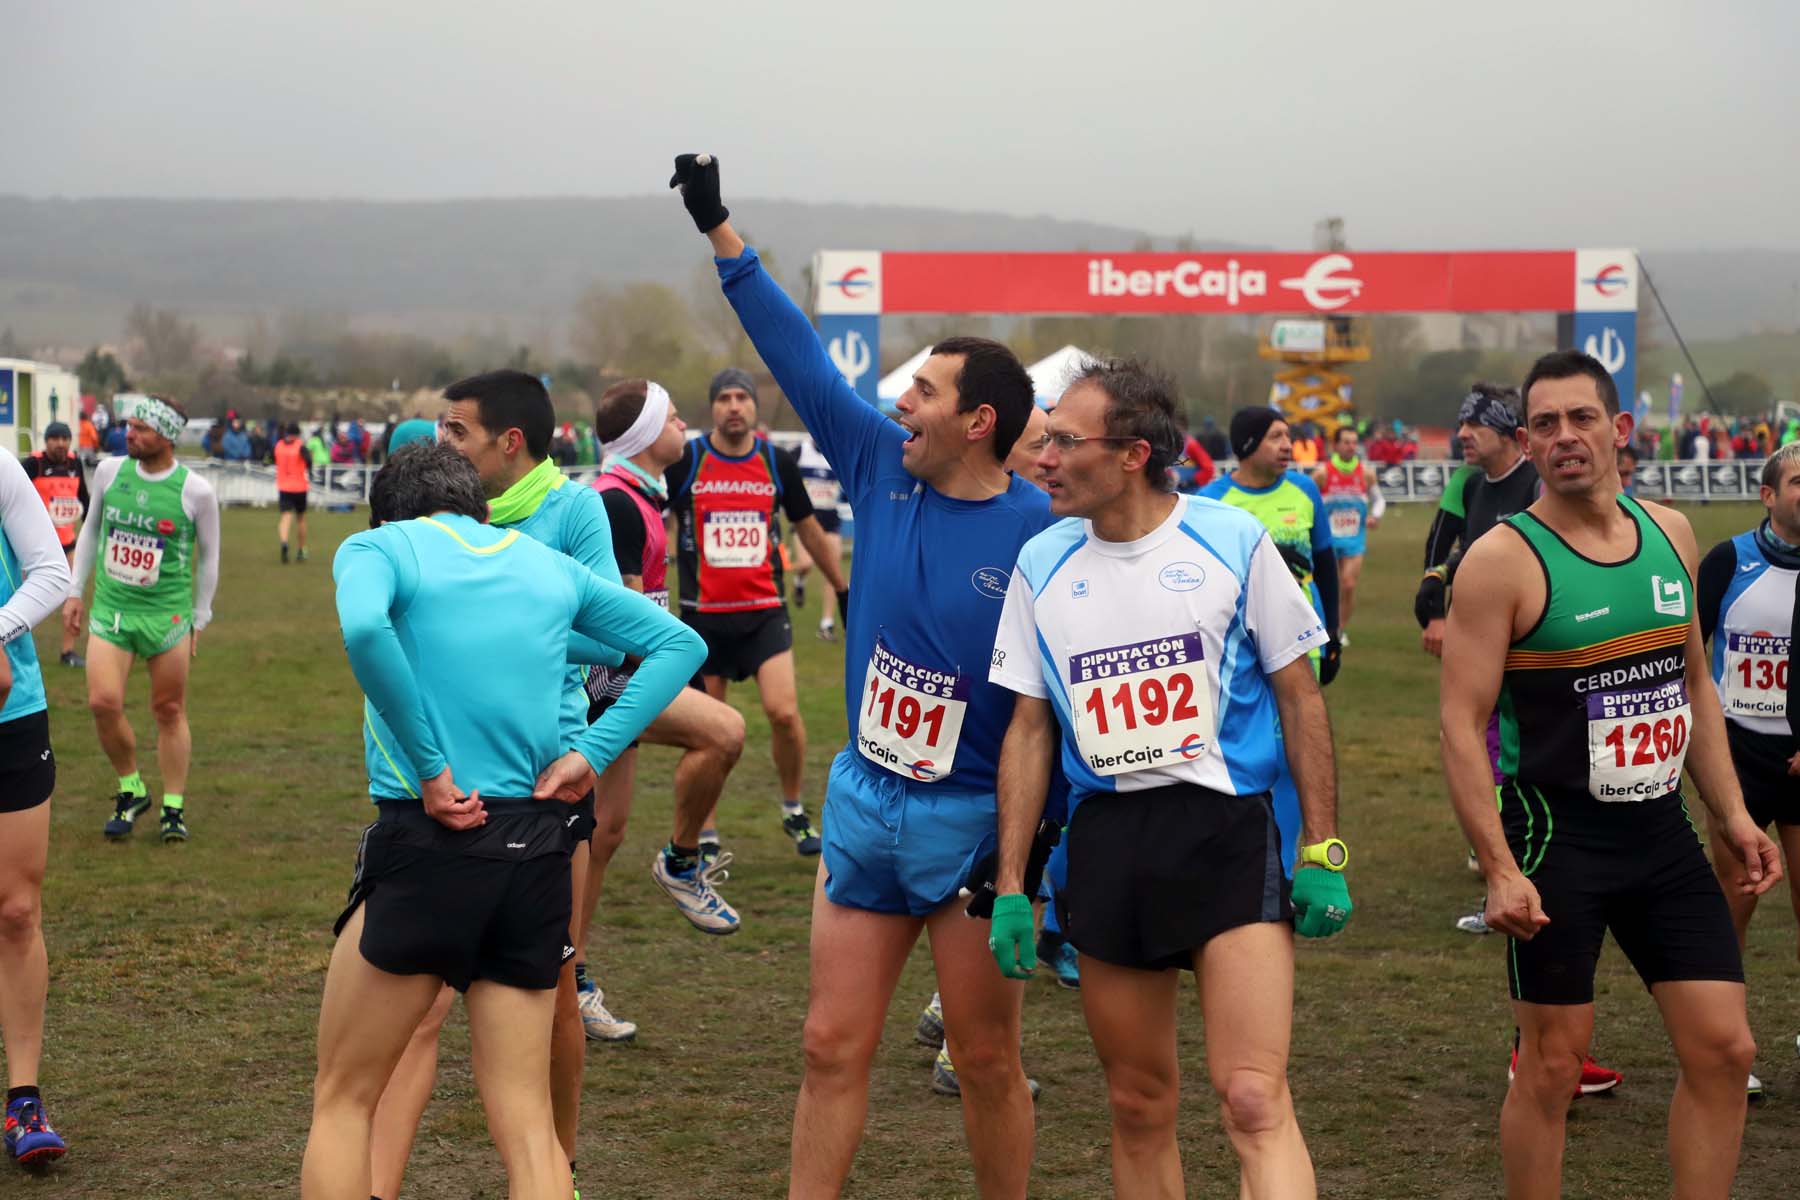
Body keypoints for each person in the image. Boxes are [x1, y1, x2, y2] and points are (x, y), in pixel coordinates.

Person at [674, 151, 1050, 1198]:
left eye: (923, 390)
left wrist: (1037, 858)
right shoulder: (881, 462)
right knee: (829, 1046)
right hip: (865, 801)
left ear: (978, 420)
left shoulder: (1040, 533)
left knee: (982, 1061)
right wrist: (723, 235)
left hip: (974, 822)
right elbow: (798, 358)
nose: (900, 400)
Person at [301, 442, 704, 1200]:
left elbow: (362, 631)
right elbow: (676, 641)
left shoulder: (378, 546)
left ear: (386, 511)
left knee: (344, 1100)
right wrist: (594, 753)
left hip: (433, 838)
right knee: (526, 1125)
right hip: (537, 848)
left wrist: (427, 767)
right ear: (479, 508)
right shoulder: (539, 565)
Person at [987, 359, 1349, 1199]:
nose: (1043, 457)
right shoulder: (1040, 562)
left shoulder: (1231, 540)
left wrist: (1323, 847)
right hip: (1111, 843)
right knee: (1139, 1104)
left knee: (1254, 1097)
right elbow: (1029, 729)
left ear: (1132, 455)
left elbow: (1301, 698)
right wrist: (1013, 886)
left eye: (1065, 441)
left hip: (1226, 832)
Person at [1440, 349, 1779, 1200]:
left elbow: (1694, 682)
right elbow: (1458, 722)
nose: (1564, 439)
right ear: (1529, 439)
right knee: (1552, 1069)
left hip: (1660, 834)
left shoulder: (1670, 533)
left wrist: (1733, 816)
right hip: (1557, 842)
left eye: (1581, 419)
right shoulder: (1502, 560)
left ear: (1619, 429)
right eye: (1544, 424)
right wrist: (1500, 867)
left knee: (1725, 1049)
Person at [367, 370, 625, 1197]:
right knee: (419, 1007)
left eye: (454, 433)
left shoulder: (572, 510)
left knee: (555, 982)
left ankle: (561, 1162)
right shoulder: (432, 521)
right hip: (435, 777)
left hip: (544, 777)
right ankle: (378, 1182)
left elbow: (616, 630)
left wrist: (526, 634)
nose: (438, 445)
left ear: (507, 443)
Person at [575, 378, 748, 1046]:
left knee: (605, 832)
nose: (686, 426)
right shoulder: (616, 503)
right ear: (647, 435)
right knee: (724, 731)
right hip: (609, 681)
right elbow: (615, 616)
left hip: (622, 678)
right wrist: (666, 663)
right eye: (675, 417)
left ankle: (573, 975)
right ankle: (681, 863)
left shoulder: (643, 495)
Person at [664, 366, 848, 857]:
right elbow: (658, 523)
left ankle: (793, 809)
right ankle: (704, 828)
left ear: (754, 406)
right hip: (702, 618)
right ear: (713, 408)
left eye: (741, 397)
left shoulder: (776, 461)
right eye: (723, 398)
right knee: (710, 730)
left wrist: (840, 584)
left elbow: (808, 527)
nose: (733, 406)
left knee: (784, 713)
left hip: (765, 611)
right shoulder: (687, 460)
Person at [63, 394, 219, 843]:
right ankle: (131, 787)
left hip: (167, 616)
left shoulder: (196, 491)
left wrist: (199, 619)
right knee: (102, 702)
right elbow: (91, 530)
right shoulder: (111, 472)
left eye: (141, 429)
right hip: (112, 610)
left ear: (167, 437)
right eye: (129, 426)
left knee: (168, 710)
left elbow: (209, 559)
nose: (129, 433)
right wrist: (76, 592)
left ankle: (173, 806)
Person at [1697, 441, 1800, 1099]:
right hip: (1738, 755)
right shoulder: (1728, 560)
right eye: (1798, 482)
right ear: (1768, 495)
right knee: (1732, 903)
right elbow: (1686, 653)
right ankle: (1727, 1046)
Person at [0, 447, 74, 1169]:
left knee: (17, 911)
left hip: (10, 714)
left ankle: (24, 1102)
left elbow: (51, 573)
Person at [22, 422, 90, 665]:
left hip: (67, 544)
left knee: (74, 596)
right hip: (32, 547)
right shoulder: (34, 464)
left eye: (65, 438)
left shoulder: (75, 464)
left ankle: (67, 652)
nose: (61, 443)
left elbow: (84, 500)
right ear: (46, 441)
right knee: (17, 598)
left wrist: (95, 531)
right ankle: (11, 648)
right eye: (55, 438)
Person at [1313, 424, 1384, 640]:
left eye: (1354, 442)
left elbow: (1379, 500)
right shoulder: (1322, 474)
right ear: (1335, 445)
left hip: (1354, 539)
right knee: (1328, 587)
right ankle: (1324, 626)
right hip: (1327, 540)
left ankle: (1339, 631)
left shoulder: (1366, 474)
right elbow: (1309, 502)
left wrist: (1375, 516)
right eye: (1346, 442)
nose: (1351, 446)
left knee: (1349, 585)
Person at [789, 434, 850, 640]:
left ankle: (827, 624)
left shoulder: (838, 454)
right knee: (805, 564)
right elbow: (785, 477)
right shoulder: (801, 451)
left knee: (833, 573)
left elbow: (847, 486)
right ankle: (799, 581)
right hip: (805, 521)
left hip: (831, 521)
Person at [273, 423, 313, 564]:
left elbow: (271, 459)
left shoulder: (279, 446)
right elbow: (309, 460)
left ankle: (284, 542)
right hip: (300, 487)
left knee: (285, 517)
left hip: (284, 486)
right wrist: (310, 470)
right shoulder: (300, 446)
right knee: (300, 519)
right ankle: (301, 550)